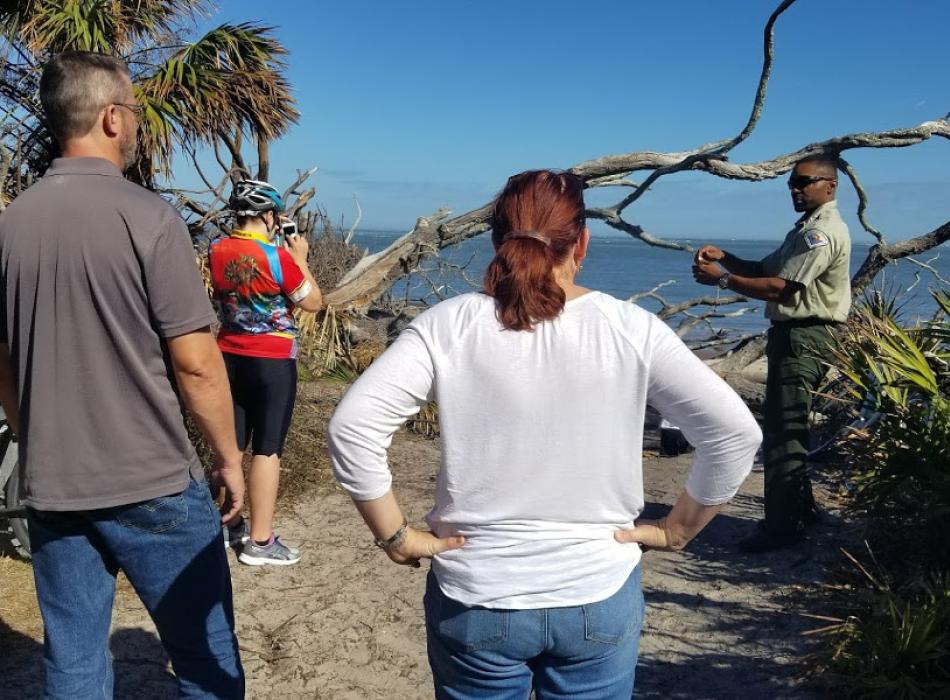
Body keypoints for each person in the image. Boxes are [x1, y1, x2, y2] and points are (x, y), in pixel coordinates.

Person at [328, 169, 761, 699]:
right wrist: (677, 529)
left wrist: (395, 535)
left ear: (496, 240)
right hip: (596, 593)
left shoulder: (449, 324)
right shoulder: (631, 327)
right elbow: (734, 434)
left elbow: (353, 428)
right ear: (581, 241)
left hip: (477, 596)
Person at [0, 51, 245, 698]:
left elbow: (2, 360)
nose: (136, 124)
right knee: (203, 657)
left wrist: (33, 436)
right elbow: (196, 365)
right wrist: (228, 458)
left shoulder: (10, 226)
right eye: (133, 111)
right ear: (111, 117)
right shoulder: (149, 219)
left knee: (74, 662)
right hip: (152, 481)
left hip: (54, 484)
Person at [691, 154, 851, 554]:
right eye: (792, 185)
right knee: (787, 429)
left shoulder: (822, 234)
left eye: (805, 182)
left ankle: (782, 530)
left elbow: (781, 289)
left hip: (805, 337)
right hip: (796, 334)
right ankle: (800, 513)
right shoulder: (806, 230)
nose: (796, 190)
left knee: (784, 433)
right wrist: (725, 259)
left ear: (830, 186)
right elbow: (764, 270)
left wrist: (723, 278)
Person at [209, 179, 322, 566]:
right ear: (270, 216)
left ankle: (229, 523)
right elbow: (313, 303)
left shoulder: (216, 249)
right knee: (268, 448)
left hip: (228, 354)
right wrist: (302, 258)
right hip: (272, 359)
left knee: (231, 444)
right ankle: (260, 541)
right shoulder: (279, 259)